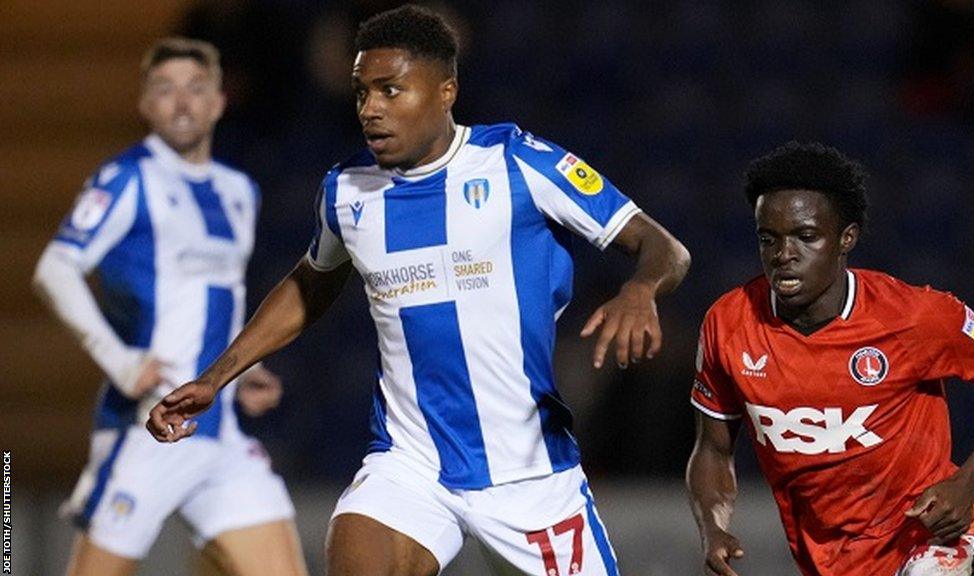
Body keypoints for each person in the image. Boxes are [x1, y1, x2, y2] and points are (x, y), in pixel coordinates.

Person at [146, 5, 690, 576]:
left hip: (529, 473)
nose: (370, 110)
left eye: (390, 90)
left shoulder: (519, 164)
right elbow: (311, 282)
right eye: (361, 93)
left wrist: (641, 289)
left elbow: (665, 248)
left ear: (446, 90)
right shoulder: (348, 191)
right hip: (411, 464)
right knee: (358, 550)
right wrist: (214, 377)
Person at [32, 38, 308, 576]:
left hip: (218, 428)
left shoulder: (238, 191)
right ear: (145, 105)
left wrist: (240, 368)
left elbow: (216, 298)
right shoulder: (127, 178)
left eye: (195, 89)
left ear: (219, 102)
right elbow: (54, 270)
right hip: (148, 426)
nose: (182, 102)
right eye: (165, 90)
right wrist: (121, 362)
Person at [686, 141, 974, 576]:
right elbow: (712, 450)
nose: (783, 255)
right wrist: (712, 527)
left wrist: (967, 482)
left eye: (806, 237)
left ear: (847, 238)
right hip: (829, 561)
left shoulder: (916, 316)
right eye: (768, 239)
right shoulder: (728, 324)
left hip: (929, 543)